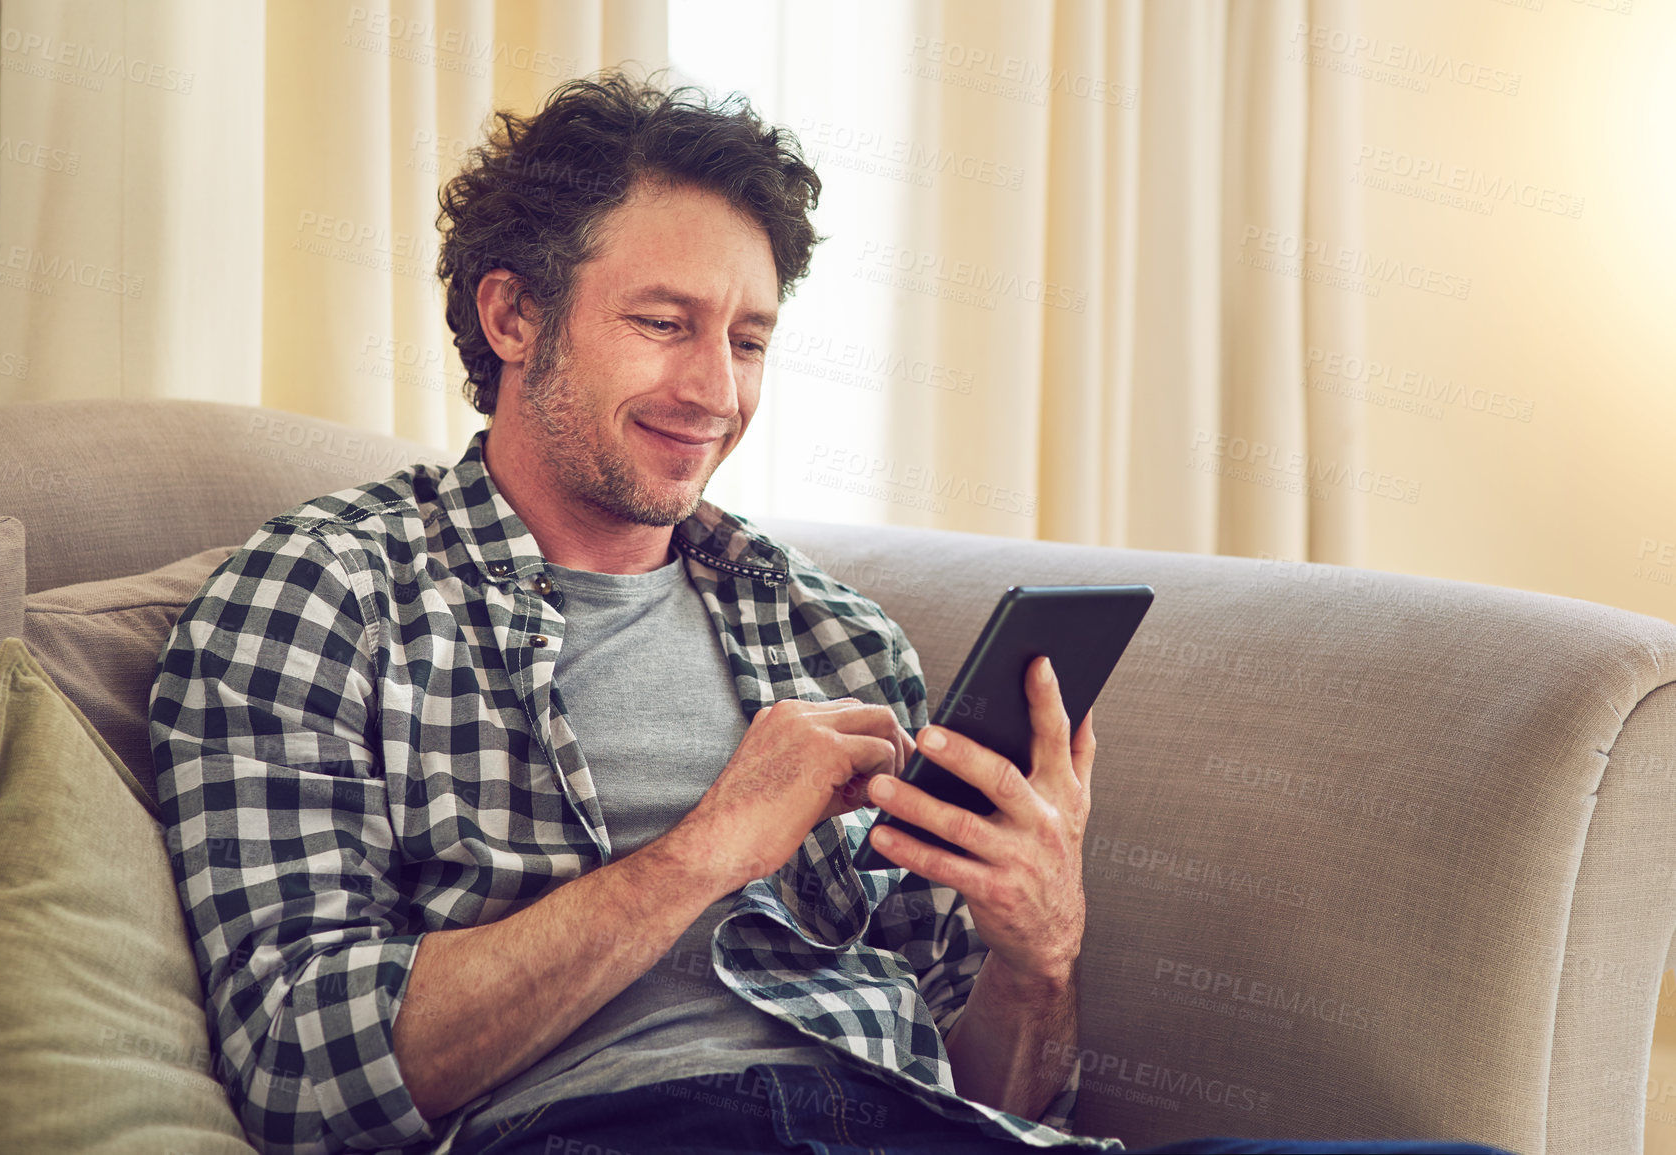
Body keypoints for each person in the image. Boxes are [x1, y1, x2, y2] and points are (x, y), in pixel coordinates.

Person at [149, 73, 1518, 1155]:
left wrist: (1038, 956)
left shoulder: (832, 639)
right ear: (513, 316)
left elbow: (993, 1089)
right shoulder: (326, 594)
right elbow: (300, 1078)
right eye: (665, 321)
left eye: (748, 340)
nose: (715, 391)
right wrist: (706, 852)